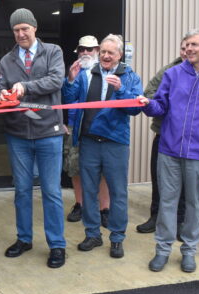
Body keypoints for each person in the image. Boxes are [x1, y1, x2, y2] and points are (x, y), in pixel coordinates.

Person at [141, 29, 199, 273]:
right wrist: (149, 105)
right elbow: (161, 105)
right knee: (167, 203)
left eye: (194, 44)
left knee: (194, 205)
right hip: (169, 151)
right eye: (186, 45)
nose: (189, 49)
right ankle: (162, 250)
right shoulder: (173, 74)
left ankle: (189, 251)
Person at [0, 8, 66, 268]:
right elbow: (1, 87)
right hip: (18, 134)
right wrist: (1, 96)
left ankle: (57, 245)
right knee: (22, 191)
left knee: (51, 192)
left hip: (48, 132)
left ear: (35, 28)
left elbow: (56, 80)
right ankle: (24, 239)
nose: (21, 34)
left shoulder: (53, 52)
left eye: (25, 28)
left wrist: (26, 87)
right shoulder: (7, 60)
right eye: (16, 30)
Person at [62, 34, 142, 259]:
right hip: (88, 141)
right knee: (89, 191)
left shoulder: (130, 76)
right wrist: (70, 79)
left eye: (111, 53)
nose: (106, 56)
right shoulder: (86, 73)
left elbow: (135, 108)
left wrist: (121, 91)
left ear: (119, 55)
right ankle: (92, 234)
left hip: (115, 143)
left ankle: (117, 238)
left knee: (118, 193)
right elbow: (69, 100)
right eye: (104, 52)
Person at [136, 38, 188, 234]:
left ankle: (181, 221)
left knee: (185, 182)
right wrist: (169, 103)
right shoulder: (168, 70)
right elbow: (149, 92)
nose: (185, 51)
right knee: (158, 178)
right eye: (183, 48)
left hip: (190, 139)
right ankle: (155, 216)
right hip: (164, 134)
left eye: (190, 47)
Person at [63, 35, 111, 227]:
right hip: (75, 127)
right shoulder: (75, 71)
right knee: (75, 168)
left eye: (89, 49)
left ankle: (104, 209)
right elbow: (65, 99)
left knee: (103, 171)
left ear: (97, 50)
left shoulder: (107, 70)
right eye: (81, 48)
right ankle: (79, 205)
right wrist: (71, 79)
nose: (85, 52)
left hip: (99, 128)